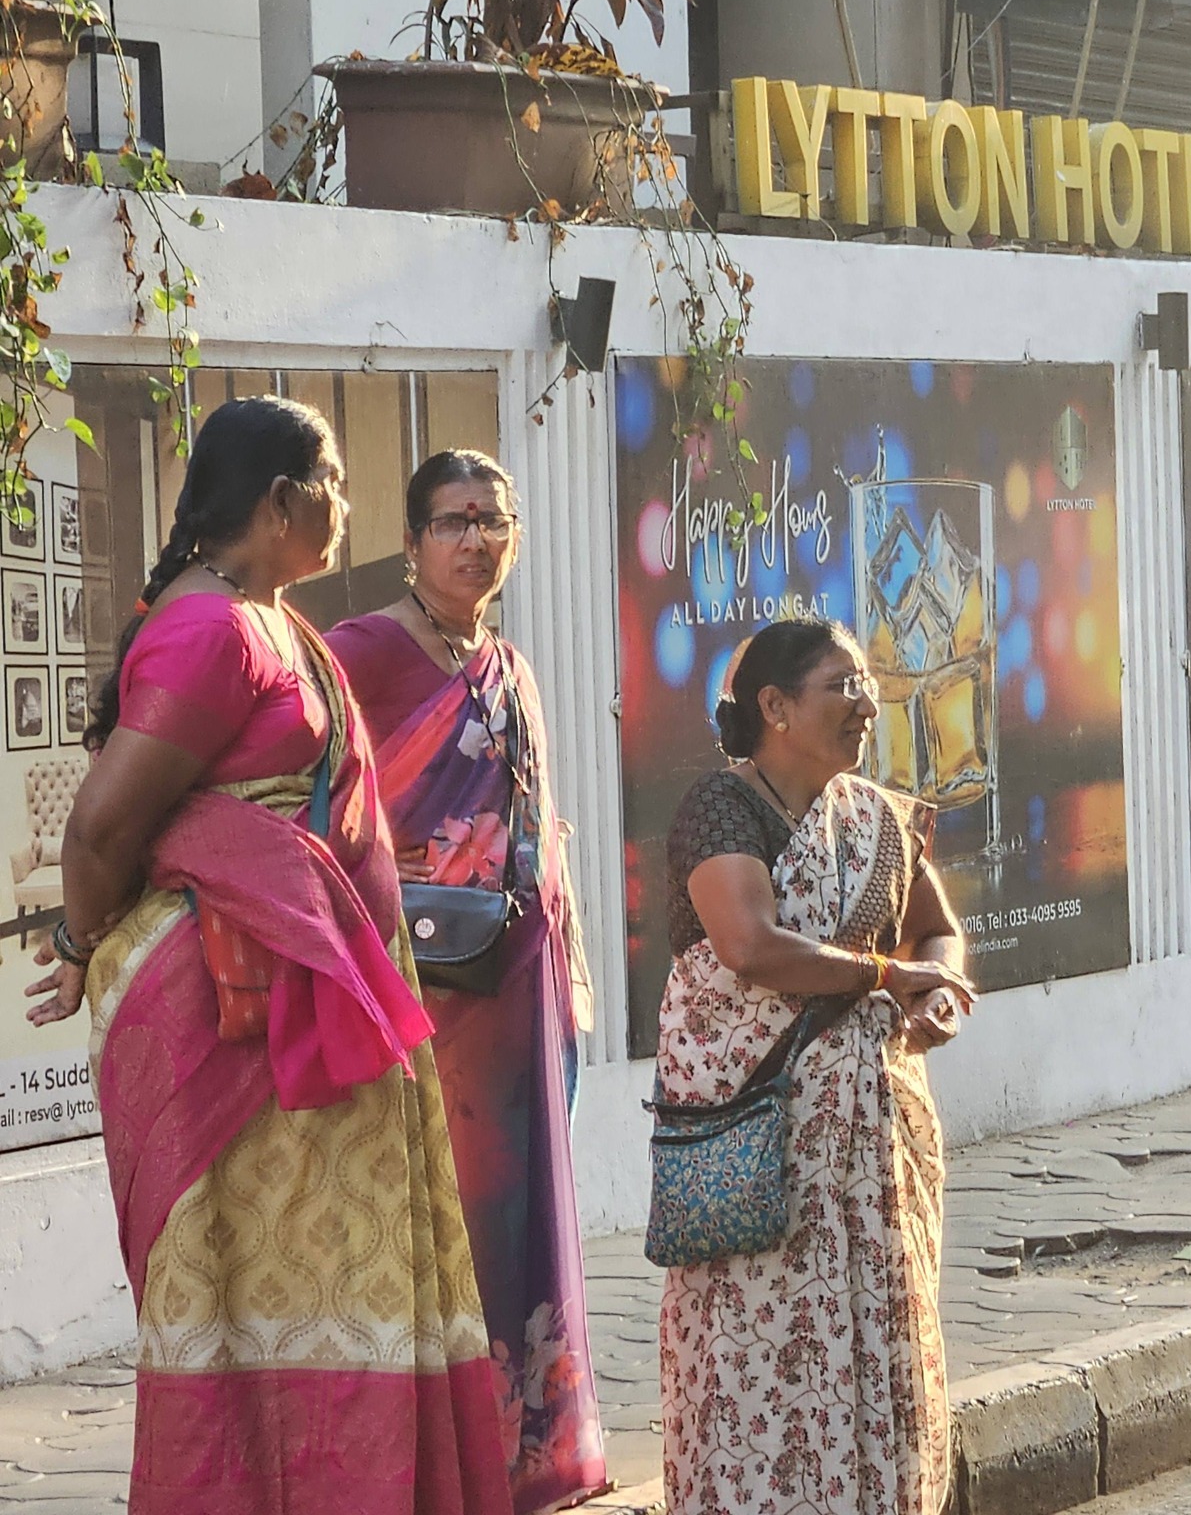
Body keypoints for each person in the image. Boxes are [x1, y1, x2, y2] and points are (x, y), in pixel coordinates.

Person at [24, 397, 512, 1515]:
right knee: (241, 1297)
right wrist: (79, 941)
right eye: (333, 483)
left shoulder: (263, 616)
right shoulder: (213, 631)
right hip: (225, 1013)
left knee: (316, 1285)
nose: (346, 504)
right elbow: (100, 830)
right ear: (283, 499)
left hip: (286, 994)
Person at [326, 450, 604, 1512]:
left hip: (516, 984)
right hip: (418, 989)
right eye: (453, 521)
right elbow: (318, 803)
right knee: (445, 1220)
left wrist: (564, 960)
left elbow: (535, 823)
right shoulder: (360, 653)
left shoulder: (509, 665)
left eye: (495, 521)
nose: (477, 540)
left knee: (521, 1210)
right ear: (410, 542)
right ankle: (435, 1464)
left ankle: (522, 1452)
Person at [659, 618, 975, 1515]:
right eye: (842, 684)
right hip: (759, 1146)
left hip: (869, 1160)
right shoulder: (721, 810)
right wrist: (885, 976)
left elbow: (936, 931)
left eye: (865, 683)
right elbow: (751, 946)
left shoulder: (875, 817)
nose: (866, 702)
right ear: (775, 707)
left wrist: (937, 993)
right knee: (753, 1358)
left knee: (877, 1333)